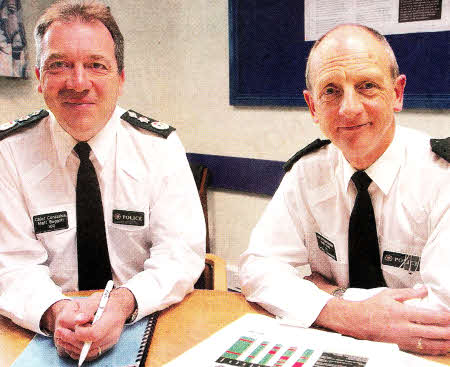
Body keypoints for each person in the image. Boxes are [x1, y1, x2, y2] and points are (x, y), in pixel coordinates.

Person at [0, 0, 205, 362]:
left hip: (143, 321)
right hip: (40, 330)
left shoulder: (158, 147)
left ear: (120, 78)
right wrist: (55, 312)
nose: (78, 83)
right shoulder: (8, 152)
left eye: (96, 65)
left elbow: (179, 255)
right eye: (59, 65)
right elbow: (10, 263)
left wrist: (123, 304)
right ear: (39, 78)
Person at [240, 24, 450, 356]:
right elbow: (257, 268)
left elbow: (442, 314)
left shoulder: (443, 176)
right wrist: (347, 314)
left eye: (367, 86)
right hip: (332, 347)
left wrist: (323, 291)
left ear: (396, 93)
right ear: (312, 106)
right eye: (331, 91)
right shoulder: (308, 171)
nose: (349, 108)